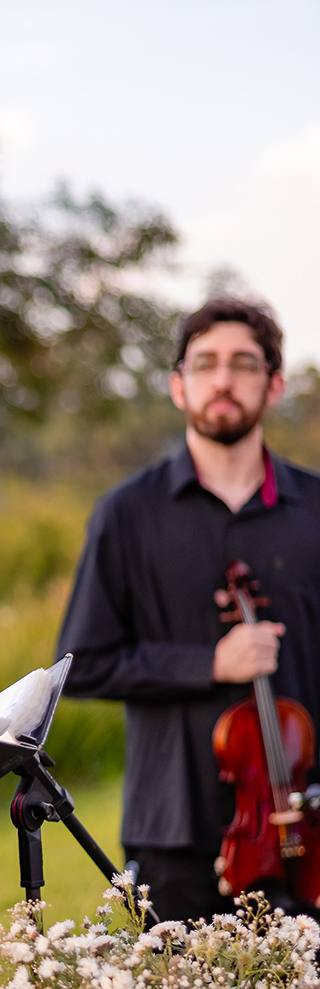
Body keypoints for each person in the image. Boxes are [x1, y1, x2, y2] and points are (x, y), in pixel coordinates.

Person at [57, 296, 320, 922]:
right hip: (172, 830)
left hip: (302, 826)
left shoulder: (316, 509)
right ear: (179, 387)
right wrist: (208, 663)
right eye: (205, 364)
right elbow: (83, 664)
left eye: (244, 364)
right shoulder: (125, 514)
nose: (223, 379)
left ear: (274, 384)